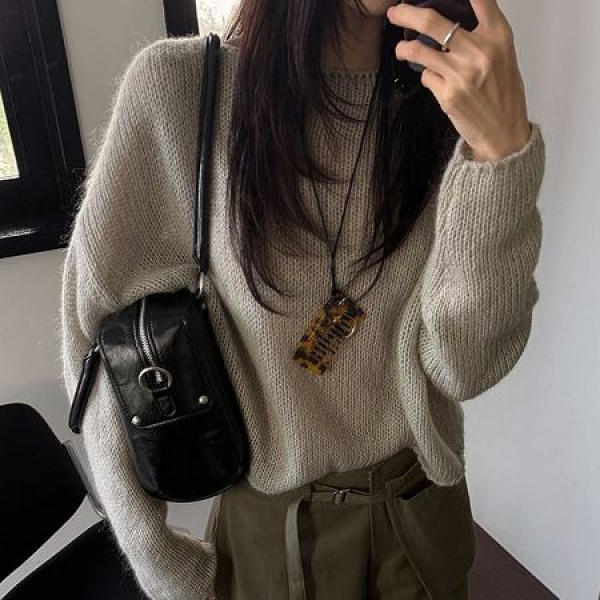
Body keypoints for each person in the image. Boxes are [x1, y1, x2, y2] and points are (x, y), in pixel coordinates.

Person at [58, 0, 546, 598]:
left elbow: (464, 368)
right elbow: (99, 351)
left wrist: (501, 156)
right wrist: (165, 570)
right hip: (273, 539)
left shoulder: (447, 98)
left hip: (422, 519)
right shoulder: (184, 91)